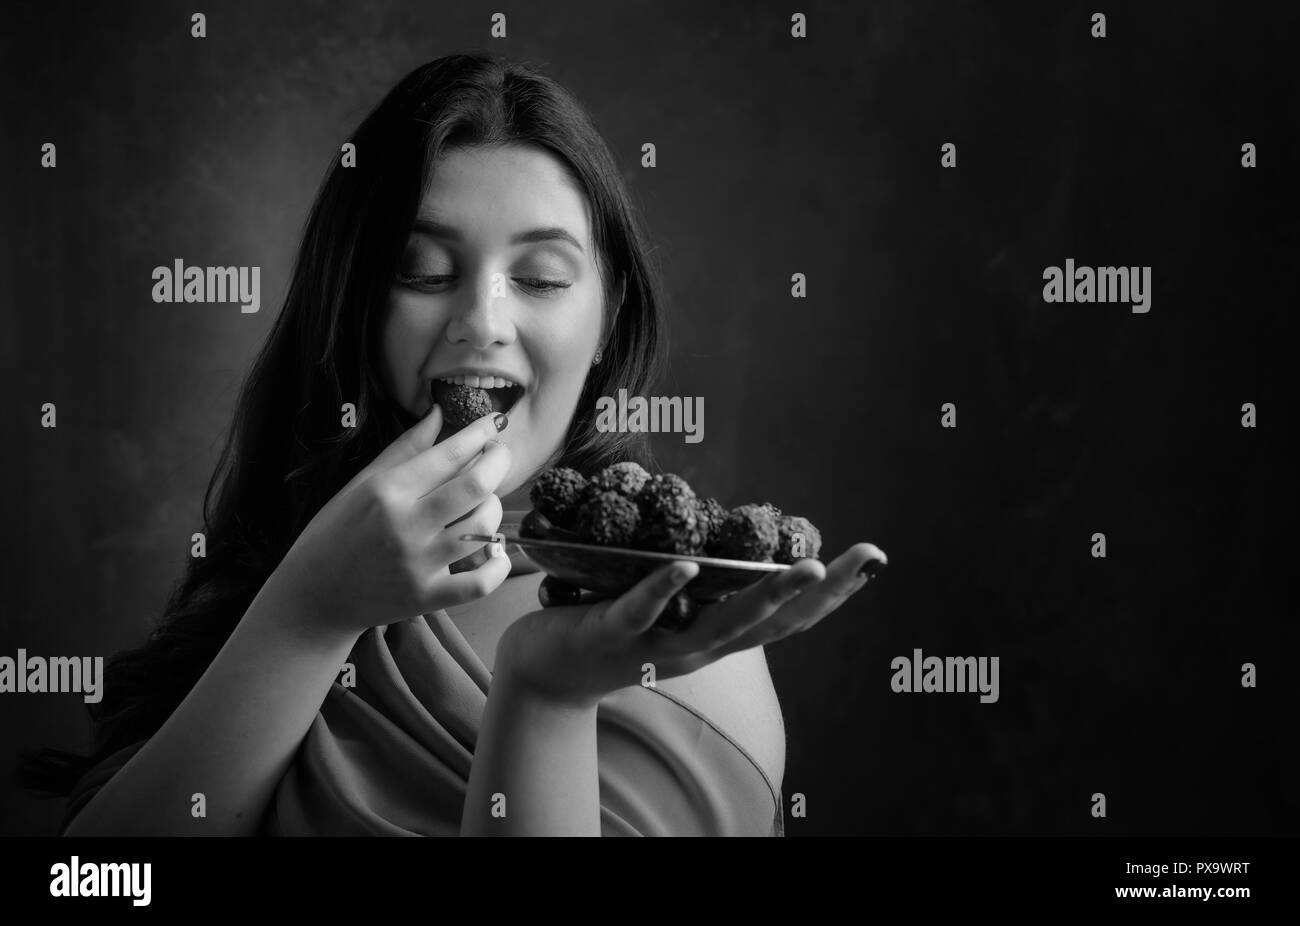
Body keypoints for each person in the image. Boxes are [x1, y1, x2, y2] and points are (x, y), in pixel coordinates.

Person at [20, 52, 886, 836]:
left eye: (541, 278)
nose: (480, 321)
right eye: (424, 273)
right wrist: (305, 613)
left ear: (608, 315)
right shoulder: (287, 564)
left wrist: (545, 692)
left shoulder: (677, 639)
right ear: (354, 302)